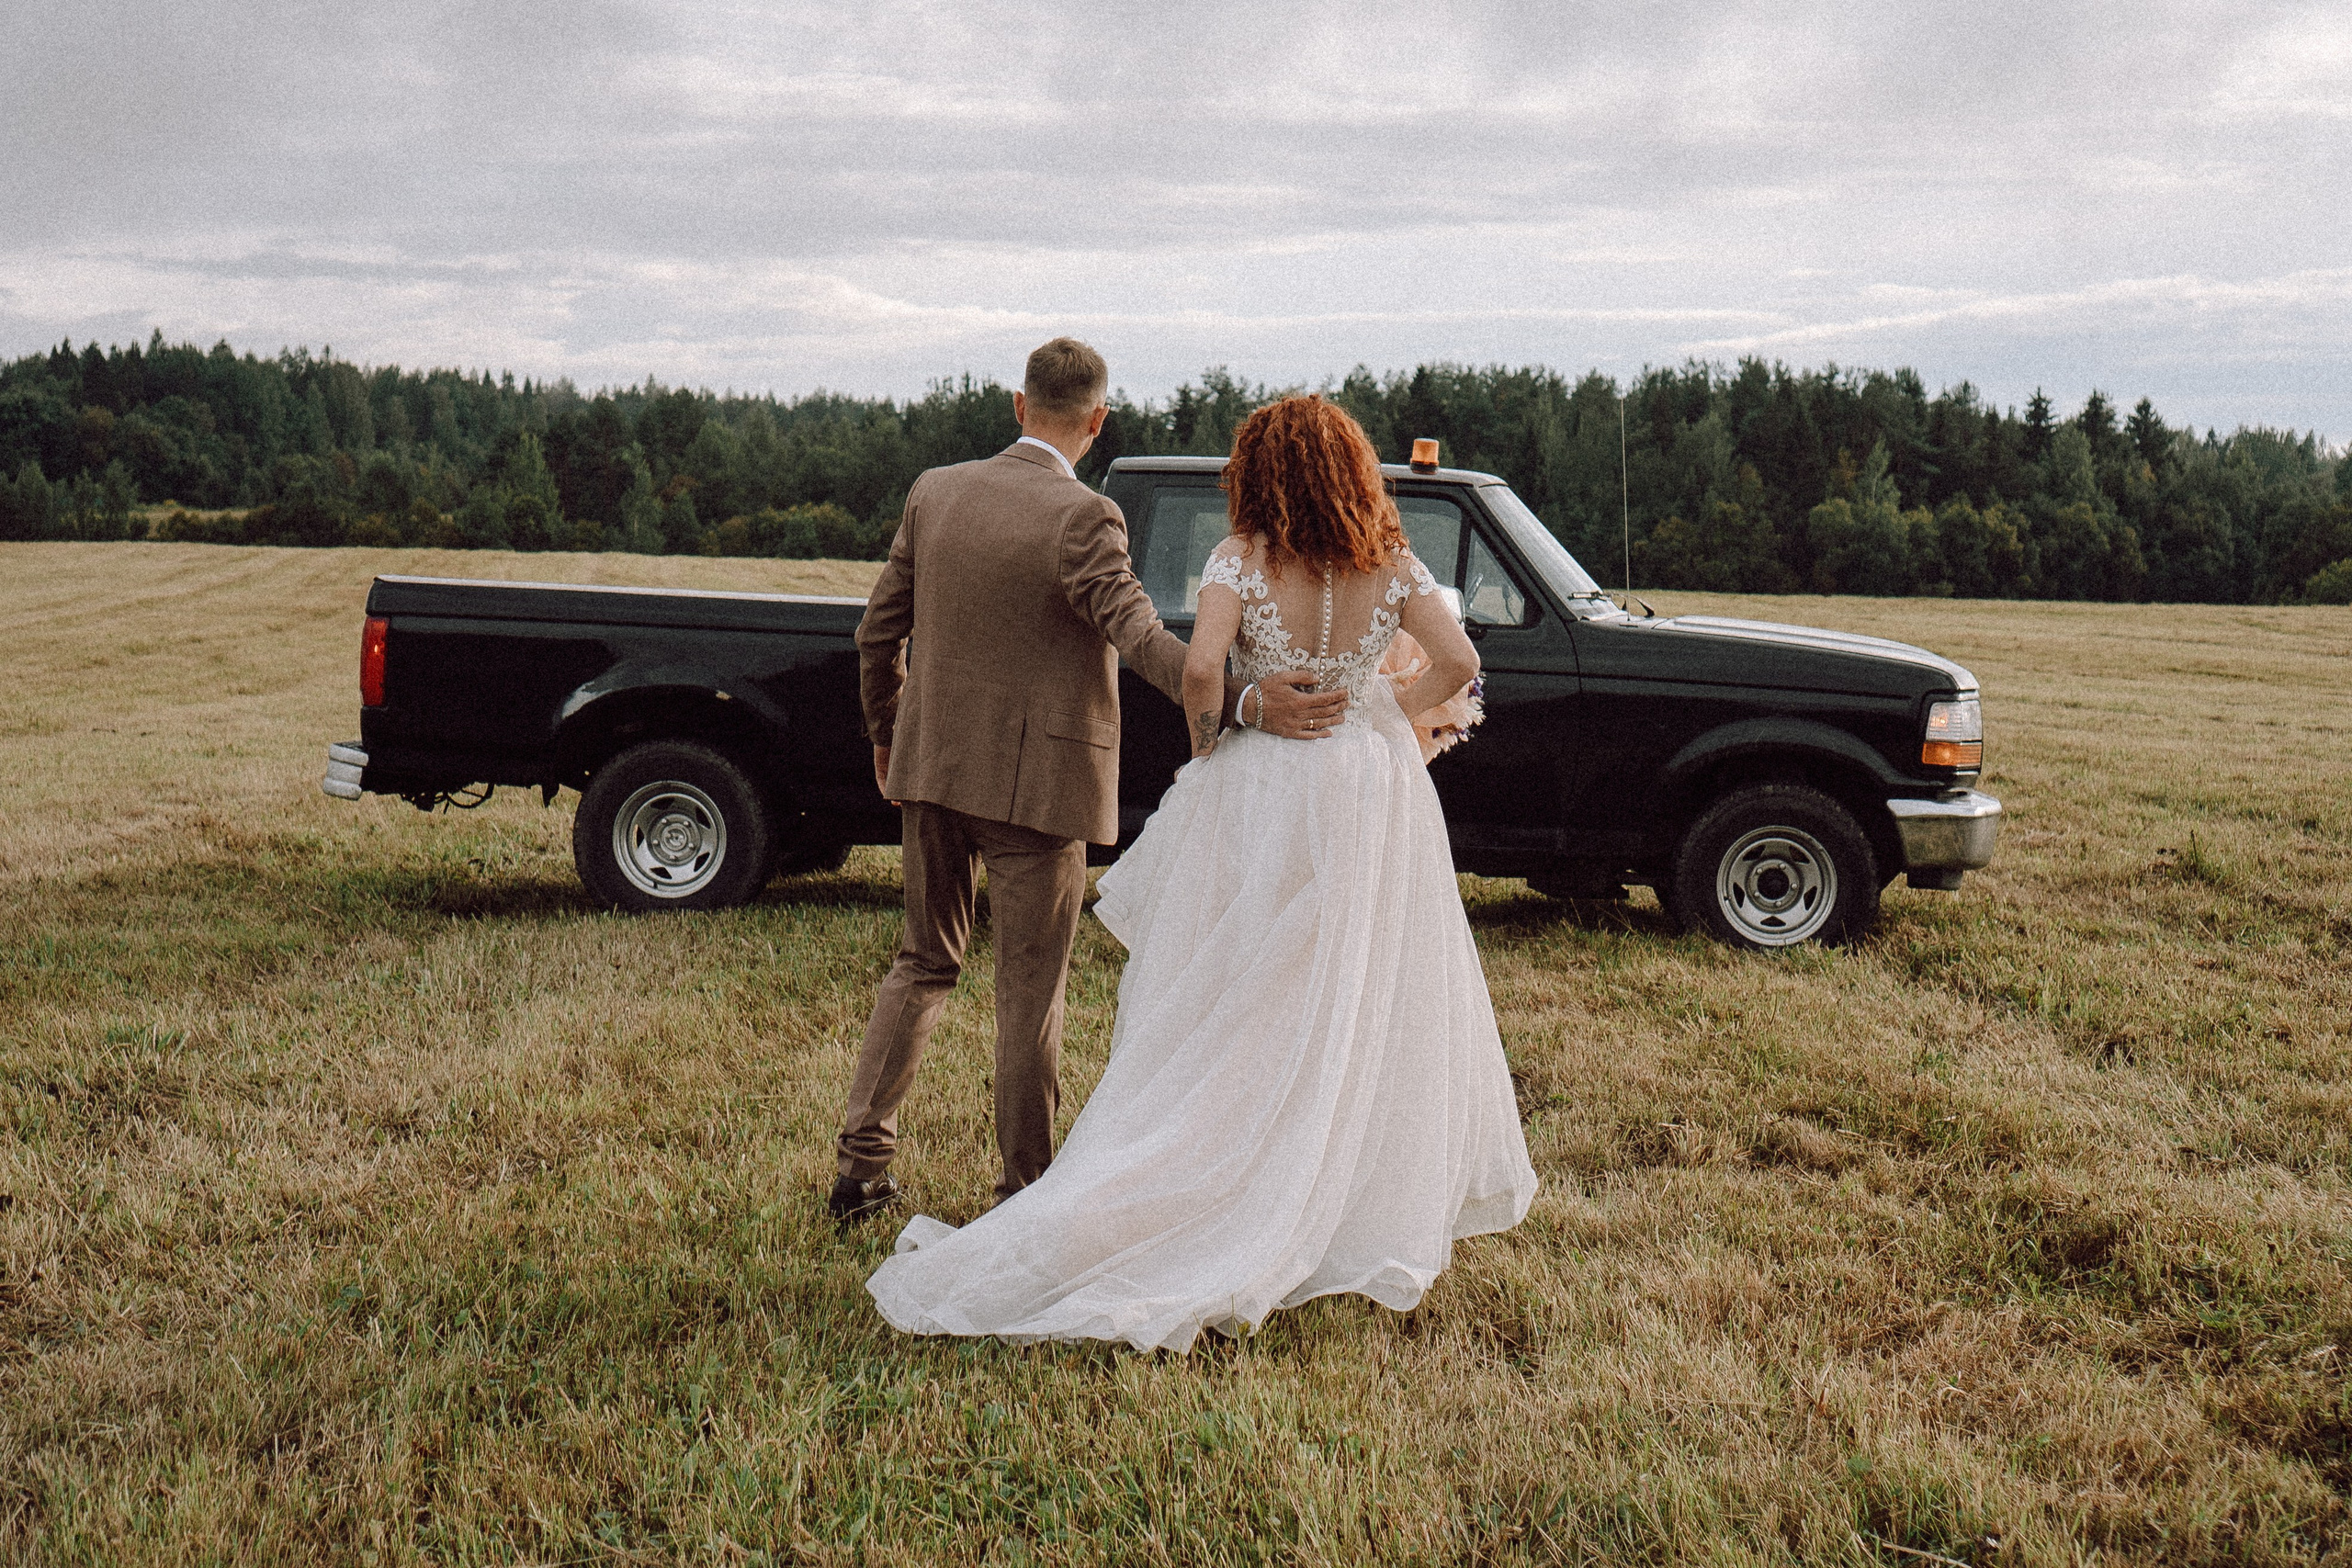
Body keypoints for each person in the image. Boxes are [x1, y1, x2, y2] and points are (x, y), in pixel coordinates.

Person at [864, 395, 1539, 1350]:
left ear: (1256, 474)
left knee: (1229, 981)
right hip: (1364, 790)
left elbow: (1199, 670)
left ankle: (1201, 1159)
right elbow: (1459, 663)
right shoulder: (1393, 561)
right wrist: (1382, 708)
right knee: (1341, 985)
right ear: (1353, 471)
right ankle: (1321, 1191)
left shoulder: (1239, 560)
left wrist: (1216, 737)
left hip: (1265, 784)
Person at [832, 339, 1346, 1224]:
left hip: (931, 770)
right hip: (1039, 791)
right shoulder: (1087, 517)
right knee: (1029, 995)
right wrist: (1245, 701)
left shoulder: (936, 492)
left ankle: (859, 1168)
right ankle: (1023, 1196)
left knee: (922, 963)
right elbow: (1145, 641)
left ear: (1018, 405)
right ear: (1099, 419)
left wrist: (889, 739)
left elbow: (876, 636)